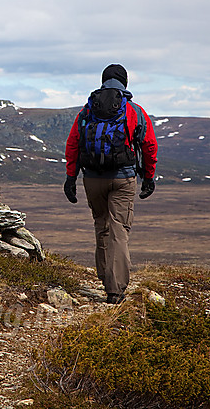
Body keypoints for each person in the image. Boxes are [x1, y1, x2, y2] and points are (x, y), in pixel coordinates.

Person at [63, 64, 158, 304]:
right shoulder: (133, 110)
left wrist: (71, 177)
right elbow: (149, 145)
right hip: (122, 178)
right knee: (119, 230)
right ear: (125, 83)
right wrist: (148, 177)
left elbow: (73, 144)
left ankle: (106, 280)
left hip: (92, 179)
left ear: (103, 81)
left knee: (101, 225)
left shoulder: (87, 110)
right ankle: (115, 291)